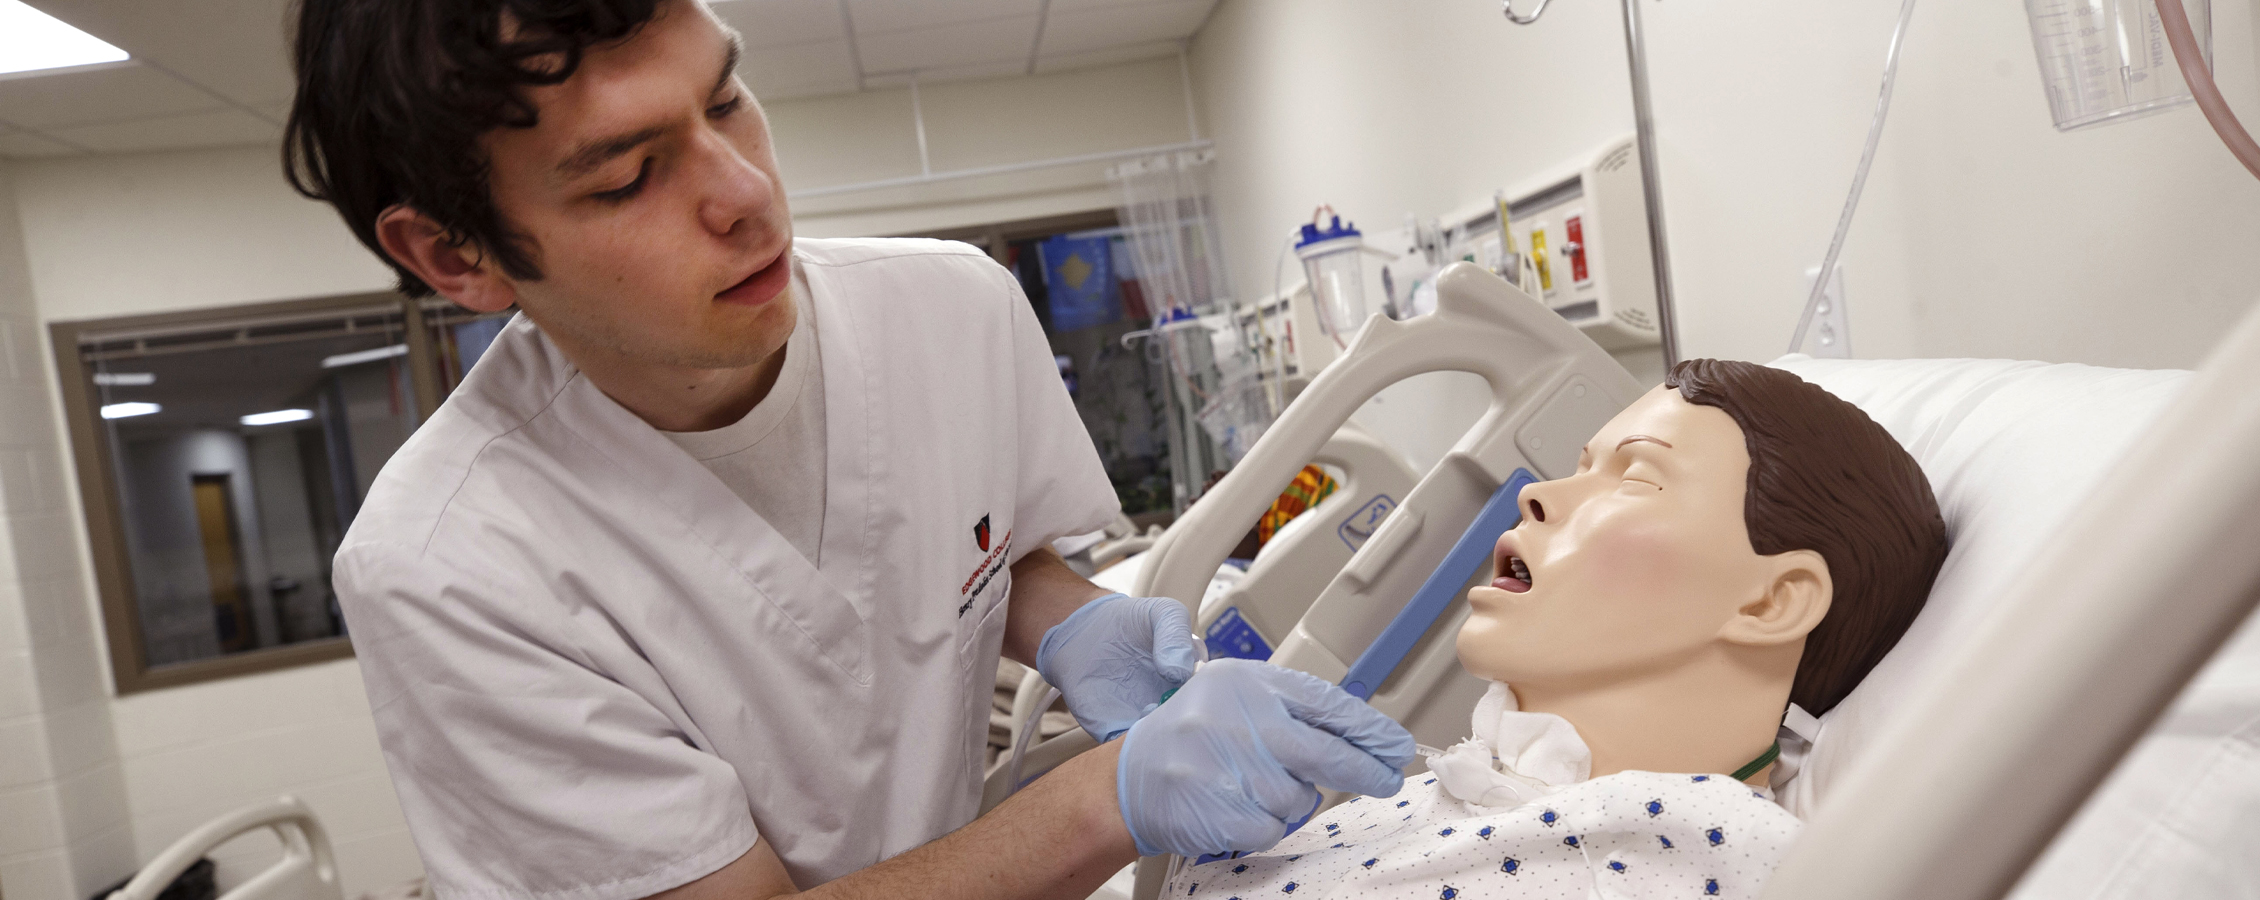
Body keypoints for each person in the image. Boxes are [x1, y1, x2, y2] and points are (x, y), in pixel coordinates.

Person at [282, 1, 1414, 898]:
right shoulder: (448, 568)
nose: (743, 193)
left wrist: (1068, 618)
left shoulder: (950, 309)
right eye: (628, 176)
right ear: (454, 255)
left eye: (726, 102)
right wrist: (1100, 802)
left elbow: (977, 549)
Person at [1170, 359, 1948, 898]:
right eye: (1579, 464)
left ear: (1771, 602)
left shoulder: (1683, 857)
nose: (1538, 494)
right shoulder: (1484, 795)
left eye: (1637, 477)